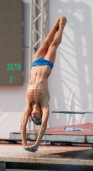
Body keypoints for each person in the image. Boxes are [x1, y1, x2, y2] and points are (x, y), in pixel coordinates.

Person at [20, 16, 67, 152]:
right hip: (46, 65)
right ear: (41, 113)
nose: (35, 117)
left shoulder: (28, 106)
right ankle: (62, 26)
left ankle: (55, 24)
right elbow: (44, 124)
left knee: (46, 42)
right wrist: (36, 144)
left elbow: (23, 124)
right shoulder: (45, 105)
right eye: (37, 118)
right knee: (53, 45)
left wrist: (24, 145)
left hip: (35, 65)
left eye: (33, 119)